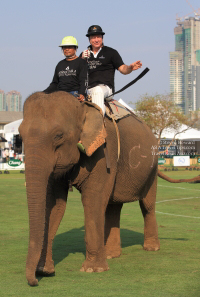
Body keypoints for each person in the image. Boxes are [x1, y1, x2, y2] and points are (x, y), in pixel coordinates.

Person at [81, 25, 142, 114]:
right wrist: (81, 60)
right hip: (88, 90)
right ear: (89, 40)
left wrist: (130, 68)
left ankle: (99, 125)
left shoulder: (111, 52)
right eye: (93, 37)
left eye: (99, 37)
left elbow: (123, 69)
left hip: (105, 89)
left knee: (97, 90)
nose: (96, 39)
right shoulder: (84, 54)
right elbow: (77, 73)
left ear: (102, 38)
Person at [44, 36, 88, 102]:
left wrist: (82, 93)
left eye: (69, 47)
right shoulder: (60, 64)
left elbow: (84, 80)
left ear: (75, 48)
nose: (66, 49)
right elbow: (54, 83)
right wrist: (43, 93)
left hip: (74, 93)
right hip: (59, 94)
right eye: (64, 47)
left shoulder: (81, 62)